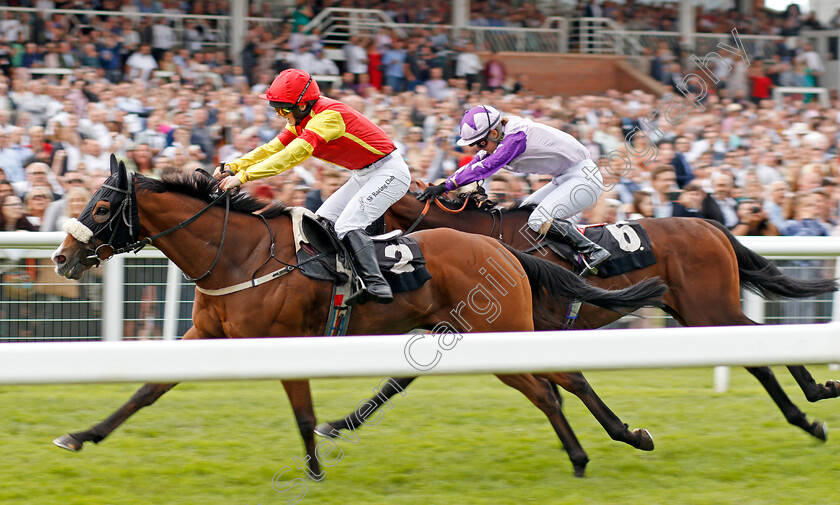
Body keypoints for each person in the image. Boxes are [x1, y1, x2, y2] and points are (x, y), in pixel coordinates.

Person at [215, 69, 411, 305]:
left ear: (304, 104)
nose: (280, 114)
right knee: (322, 222)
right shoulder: (302, 118)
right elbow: (272, 149)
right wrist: (234, 166)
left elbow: (292, 156)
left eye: (284, 109)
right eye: (275, 108)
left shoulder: (328, 117)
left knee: (348, 225)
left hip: (389, 172)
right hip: (364, 174)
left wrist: (244, 177)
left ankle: (376, 284)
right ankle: (344, 277)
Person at [418, 105, 610, 272]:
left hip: (584, 179)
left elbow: (486, 167)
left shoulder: (515, 137)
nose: (478, 148)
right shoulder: (498, 138)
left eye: (480, 143)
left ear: (494, 133)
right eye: (475, 144)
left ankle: (593, 251)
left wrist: (447, 185)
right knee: (521, 218)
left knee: (538, 219)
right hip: (565, 178)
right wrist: (442, 187)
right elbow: (472, 165)